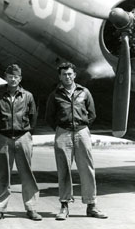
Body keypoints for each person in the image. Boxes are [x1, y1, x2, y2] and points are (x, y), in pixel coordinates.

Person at [45, 62, 108, 220]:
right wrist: (62, 128)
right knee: (63, 170)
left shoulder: (84, 92)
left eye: (69, 74)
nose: (67, 77)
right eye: (64, 74)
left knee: (87, 169)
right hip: (63, 132)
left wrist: (82, 127)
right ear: (59, 76)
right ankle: (64, 206)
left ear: (74, 75)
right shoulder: (55, 95)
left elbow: (92, 114)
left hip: (81, 132)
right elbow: (49, 117)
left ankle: (91, 205)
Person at [0, 64, 42, 221]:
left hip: (22, 138)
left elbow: (33, 117)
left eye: (16, 77)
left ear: (20, 79)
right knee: (3, 175)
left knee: (27, 174)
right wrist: (2, 133)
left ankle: (31, 208)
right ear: (5, 77)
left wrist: (26, 132)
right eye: (10, 76)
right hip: (4, 138)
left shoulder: (28, 96)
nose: (13, 79)